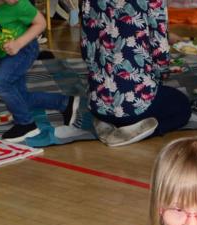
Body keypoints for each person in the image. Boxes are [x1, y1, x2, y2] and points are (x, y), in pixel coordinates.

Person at [0, 0, 81, 143]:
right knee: (19, 98)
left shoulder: (20, 4)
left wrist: (18, 43)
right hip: (4, 52)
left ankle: (26, 124)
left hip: (25, 49)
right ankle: (65, 103)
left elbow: (41, 23)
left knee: (0, 83)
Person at [79, 0, 190, 146]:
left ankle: (106, 120)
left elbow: (86, 47)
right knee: (182, 106)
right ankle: (136, 131)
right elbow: (159, 50)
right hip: (135, 109)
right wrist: (162, 72)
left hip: (98, 104)